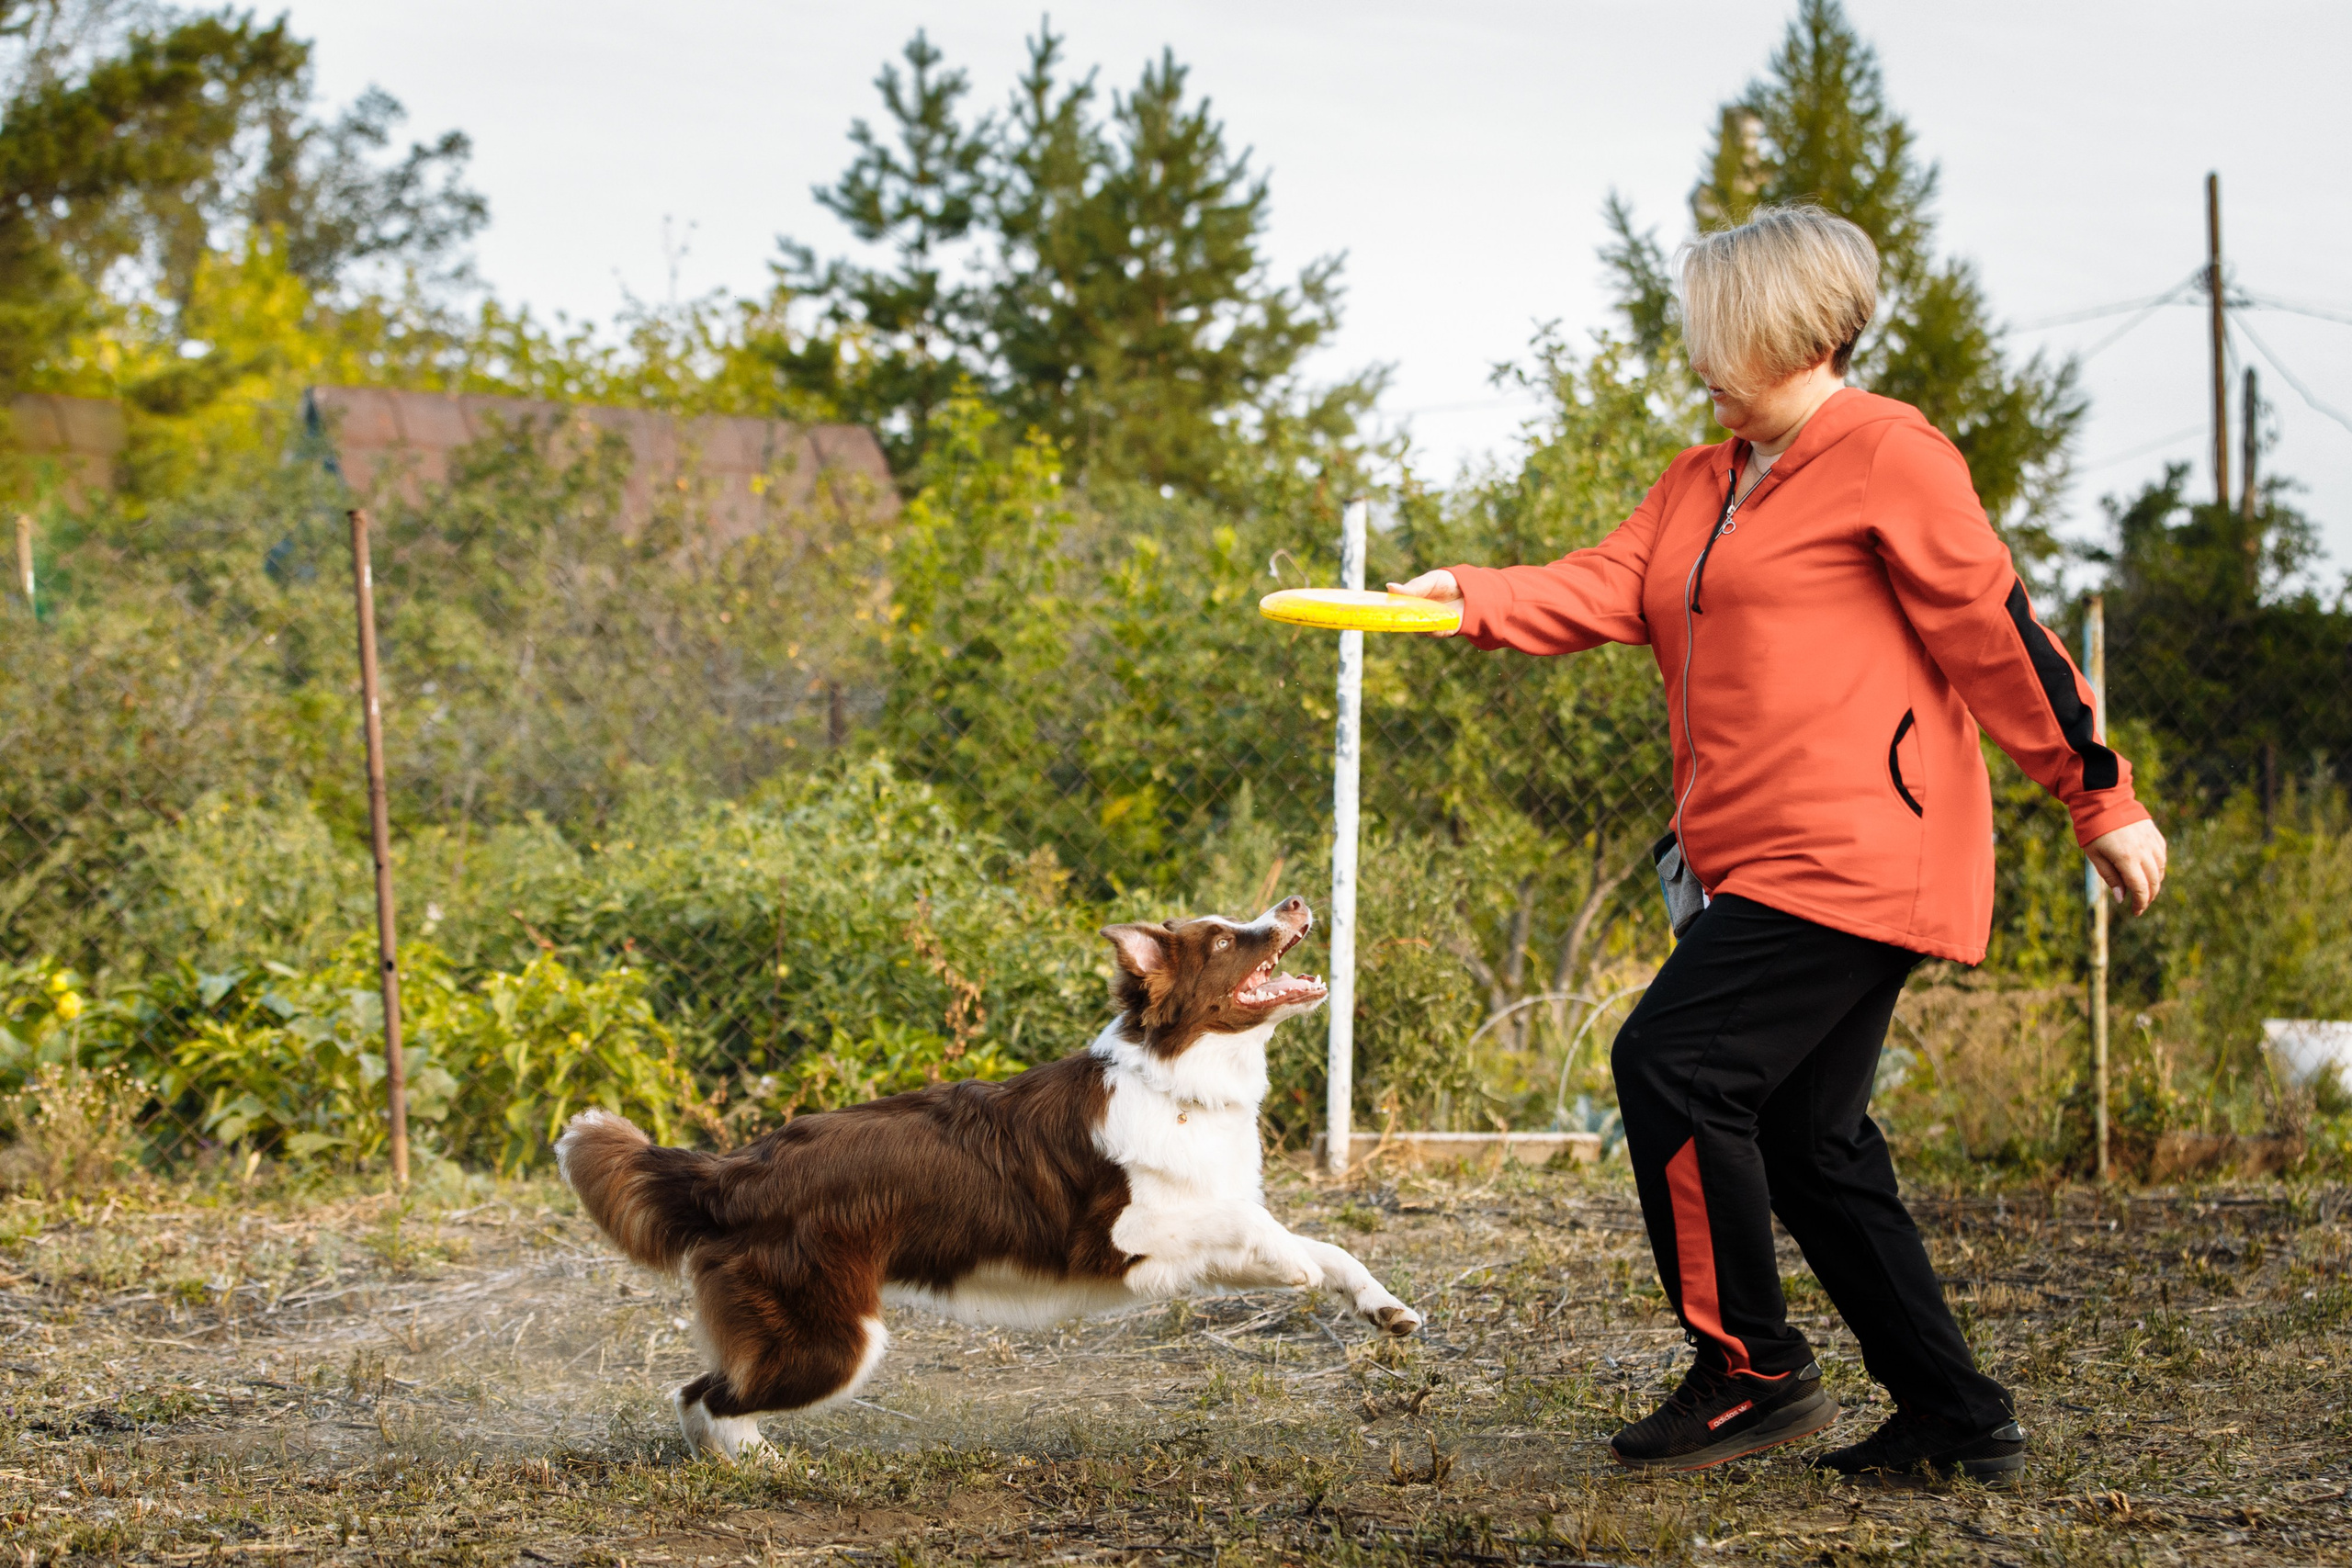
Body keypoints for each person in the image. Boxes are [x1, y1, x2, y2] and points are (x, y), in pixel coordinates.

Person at [1388, 204, 2167, 1484]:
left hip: (1863, 850)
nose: (1697, 355)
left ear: (1786, 325)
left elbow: (1996, 633)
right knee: (1812, 1143)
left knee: (1675, 1064)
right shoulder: (1703, 480)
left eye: (1715, 330)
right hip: (1754, 862)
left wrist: (2099, 795)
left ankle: (1749, 1369)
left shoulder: (1887, 457)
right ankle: (1957, 1421)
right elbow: (1605, 583)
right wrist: (1468, 594)